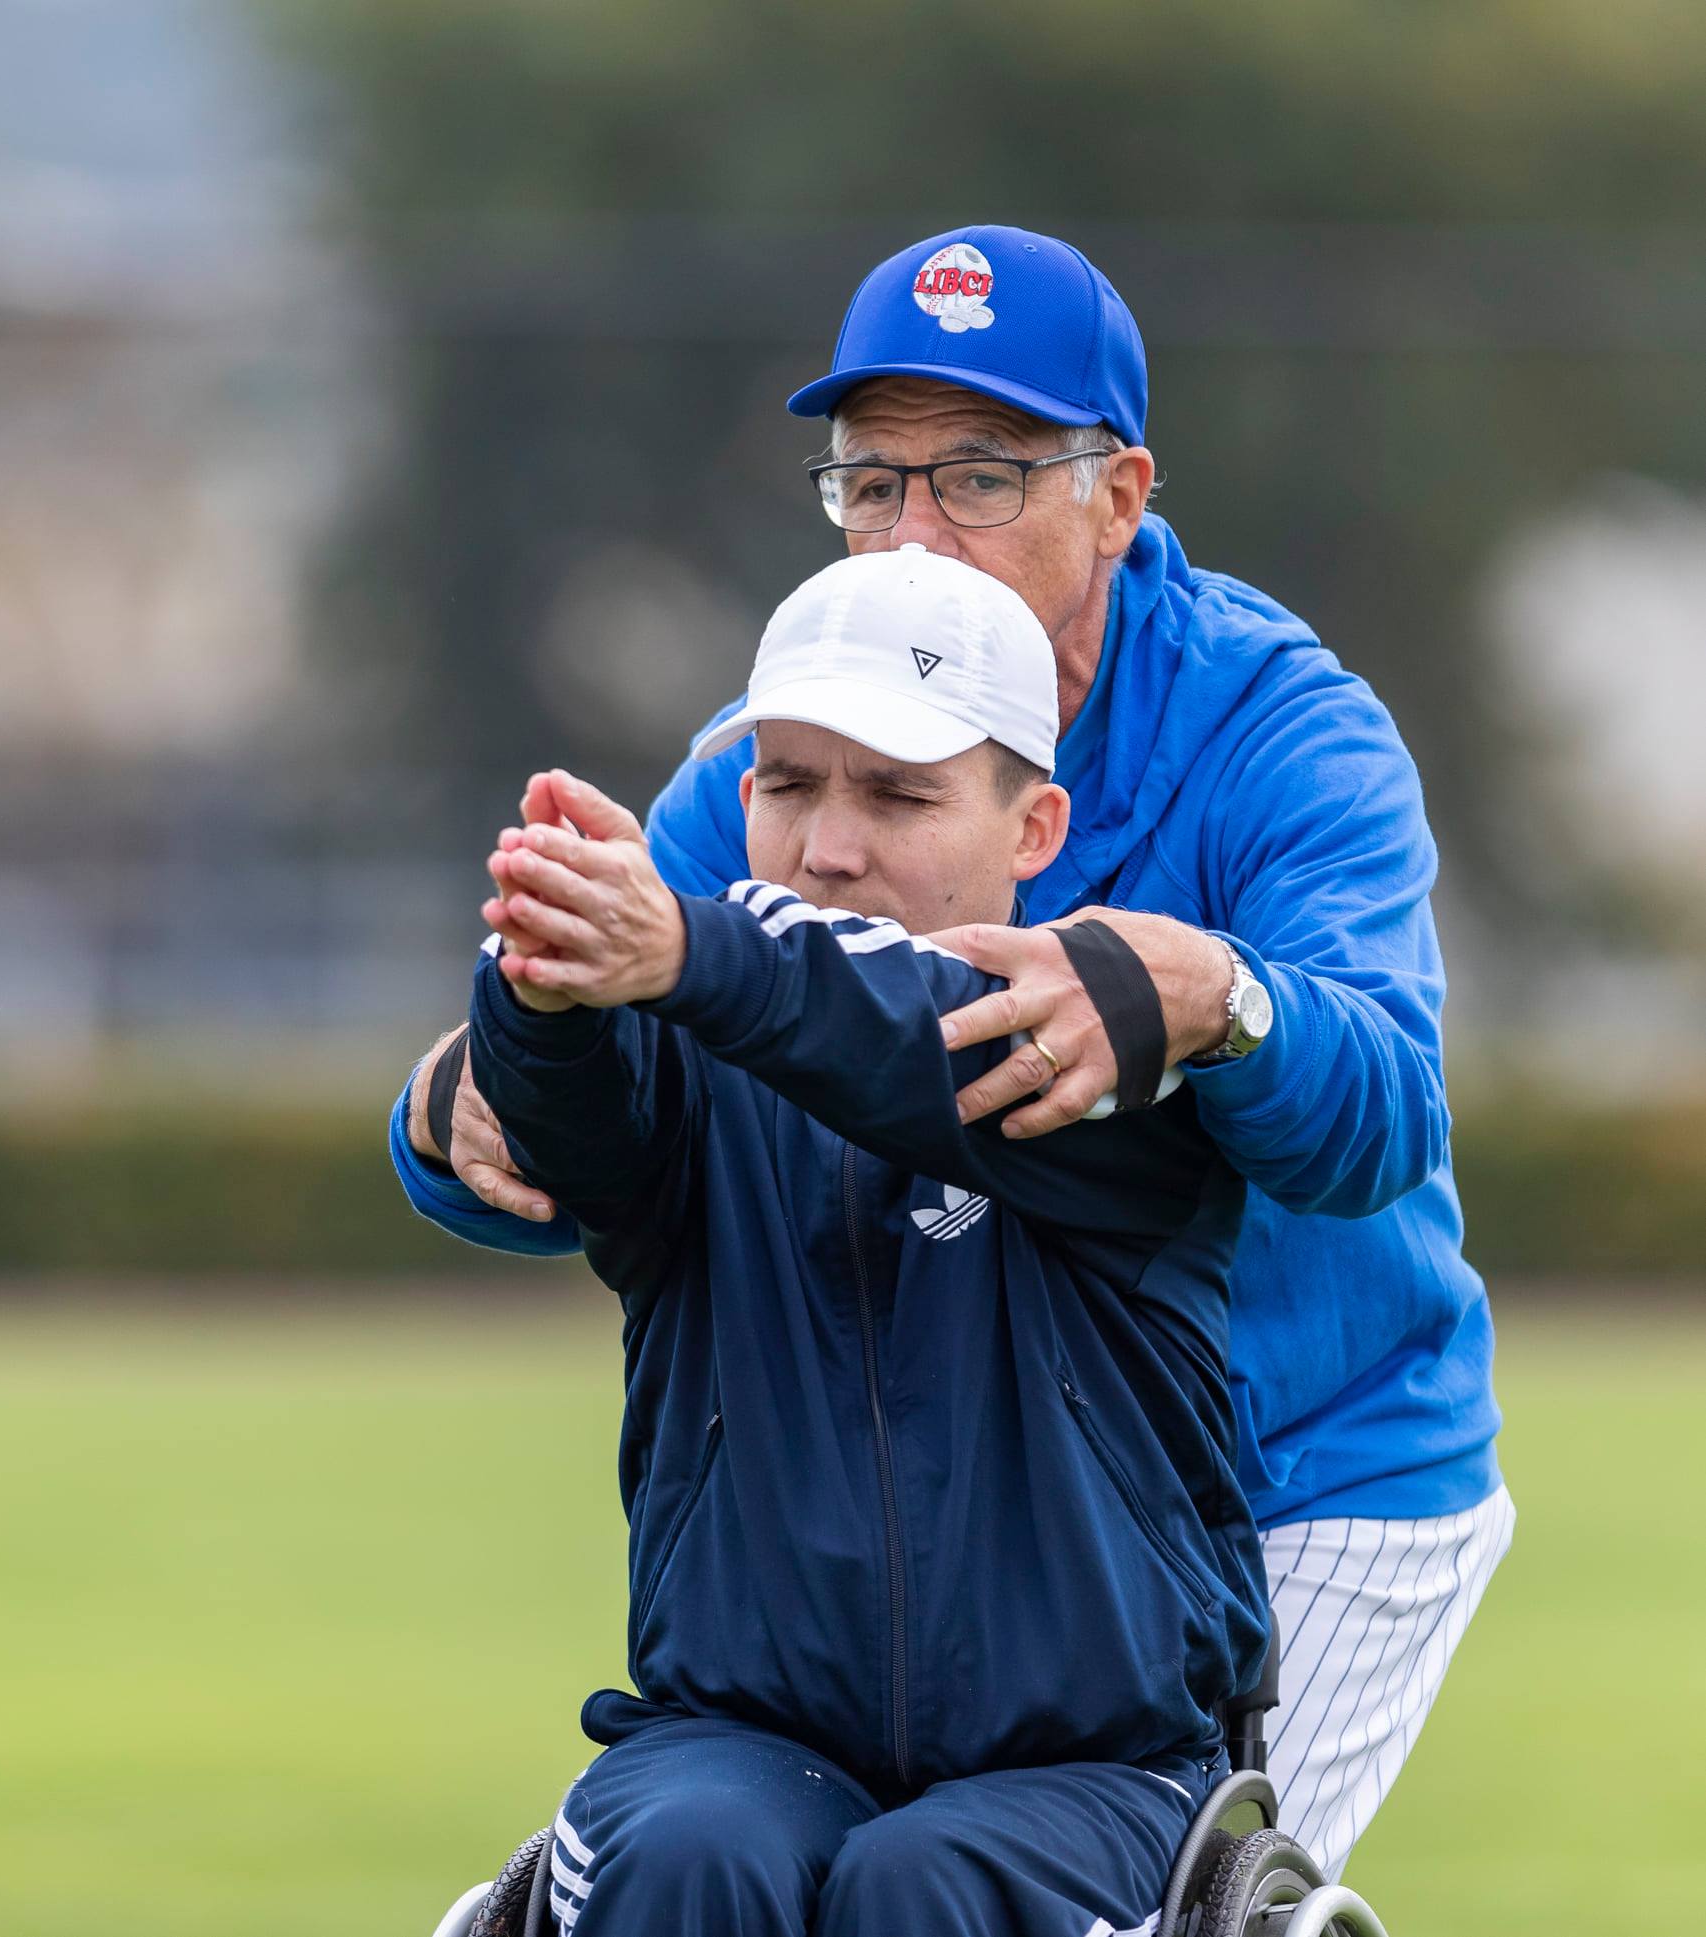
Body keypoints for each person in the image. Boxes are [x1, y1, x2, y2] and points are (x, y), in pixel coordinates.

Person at [394, 224, 1513, 1878]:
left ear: (1119, 496)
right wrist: (465, 1101)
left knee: (1105, 1887)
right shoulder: (769, 769)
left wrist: (1222, 998)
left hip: (1313, 1471)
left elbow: (1382, 1120)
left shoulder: (1282, 729)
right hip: (946, 1497)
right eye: (869, 479)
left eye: (979, 474)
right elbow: (622, 1115)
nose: (911, 528)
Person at [450, 546, 1265, 1937]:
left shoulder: (1113, 1051)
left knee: (922, 1887)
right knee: (683, 1854)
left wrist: (697, 950)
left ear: (1033, 828)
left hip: (1089, 1767)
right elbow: (573, 1111)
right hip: (731, 1732)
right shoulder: (701, 1044)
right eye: (784, 784)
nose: (827, 845)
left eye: (896, 792)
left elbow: (909, 1034)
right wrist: (546, 970)